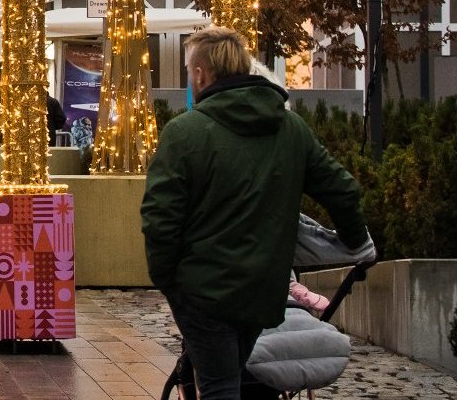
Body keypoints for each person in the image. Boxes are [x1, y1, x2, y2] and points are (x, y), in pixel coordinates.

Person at [141, 27, 369, 400]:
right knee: (232, 379)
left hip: (203, 289)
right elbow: (342, 188)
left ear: (199, 74)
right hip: (261, 288)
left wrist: (169, 280)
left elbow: (159, 218)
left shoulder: (185, 132)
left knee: (219, 386)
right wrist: (357, 242)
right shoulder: (290, 128)